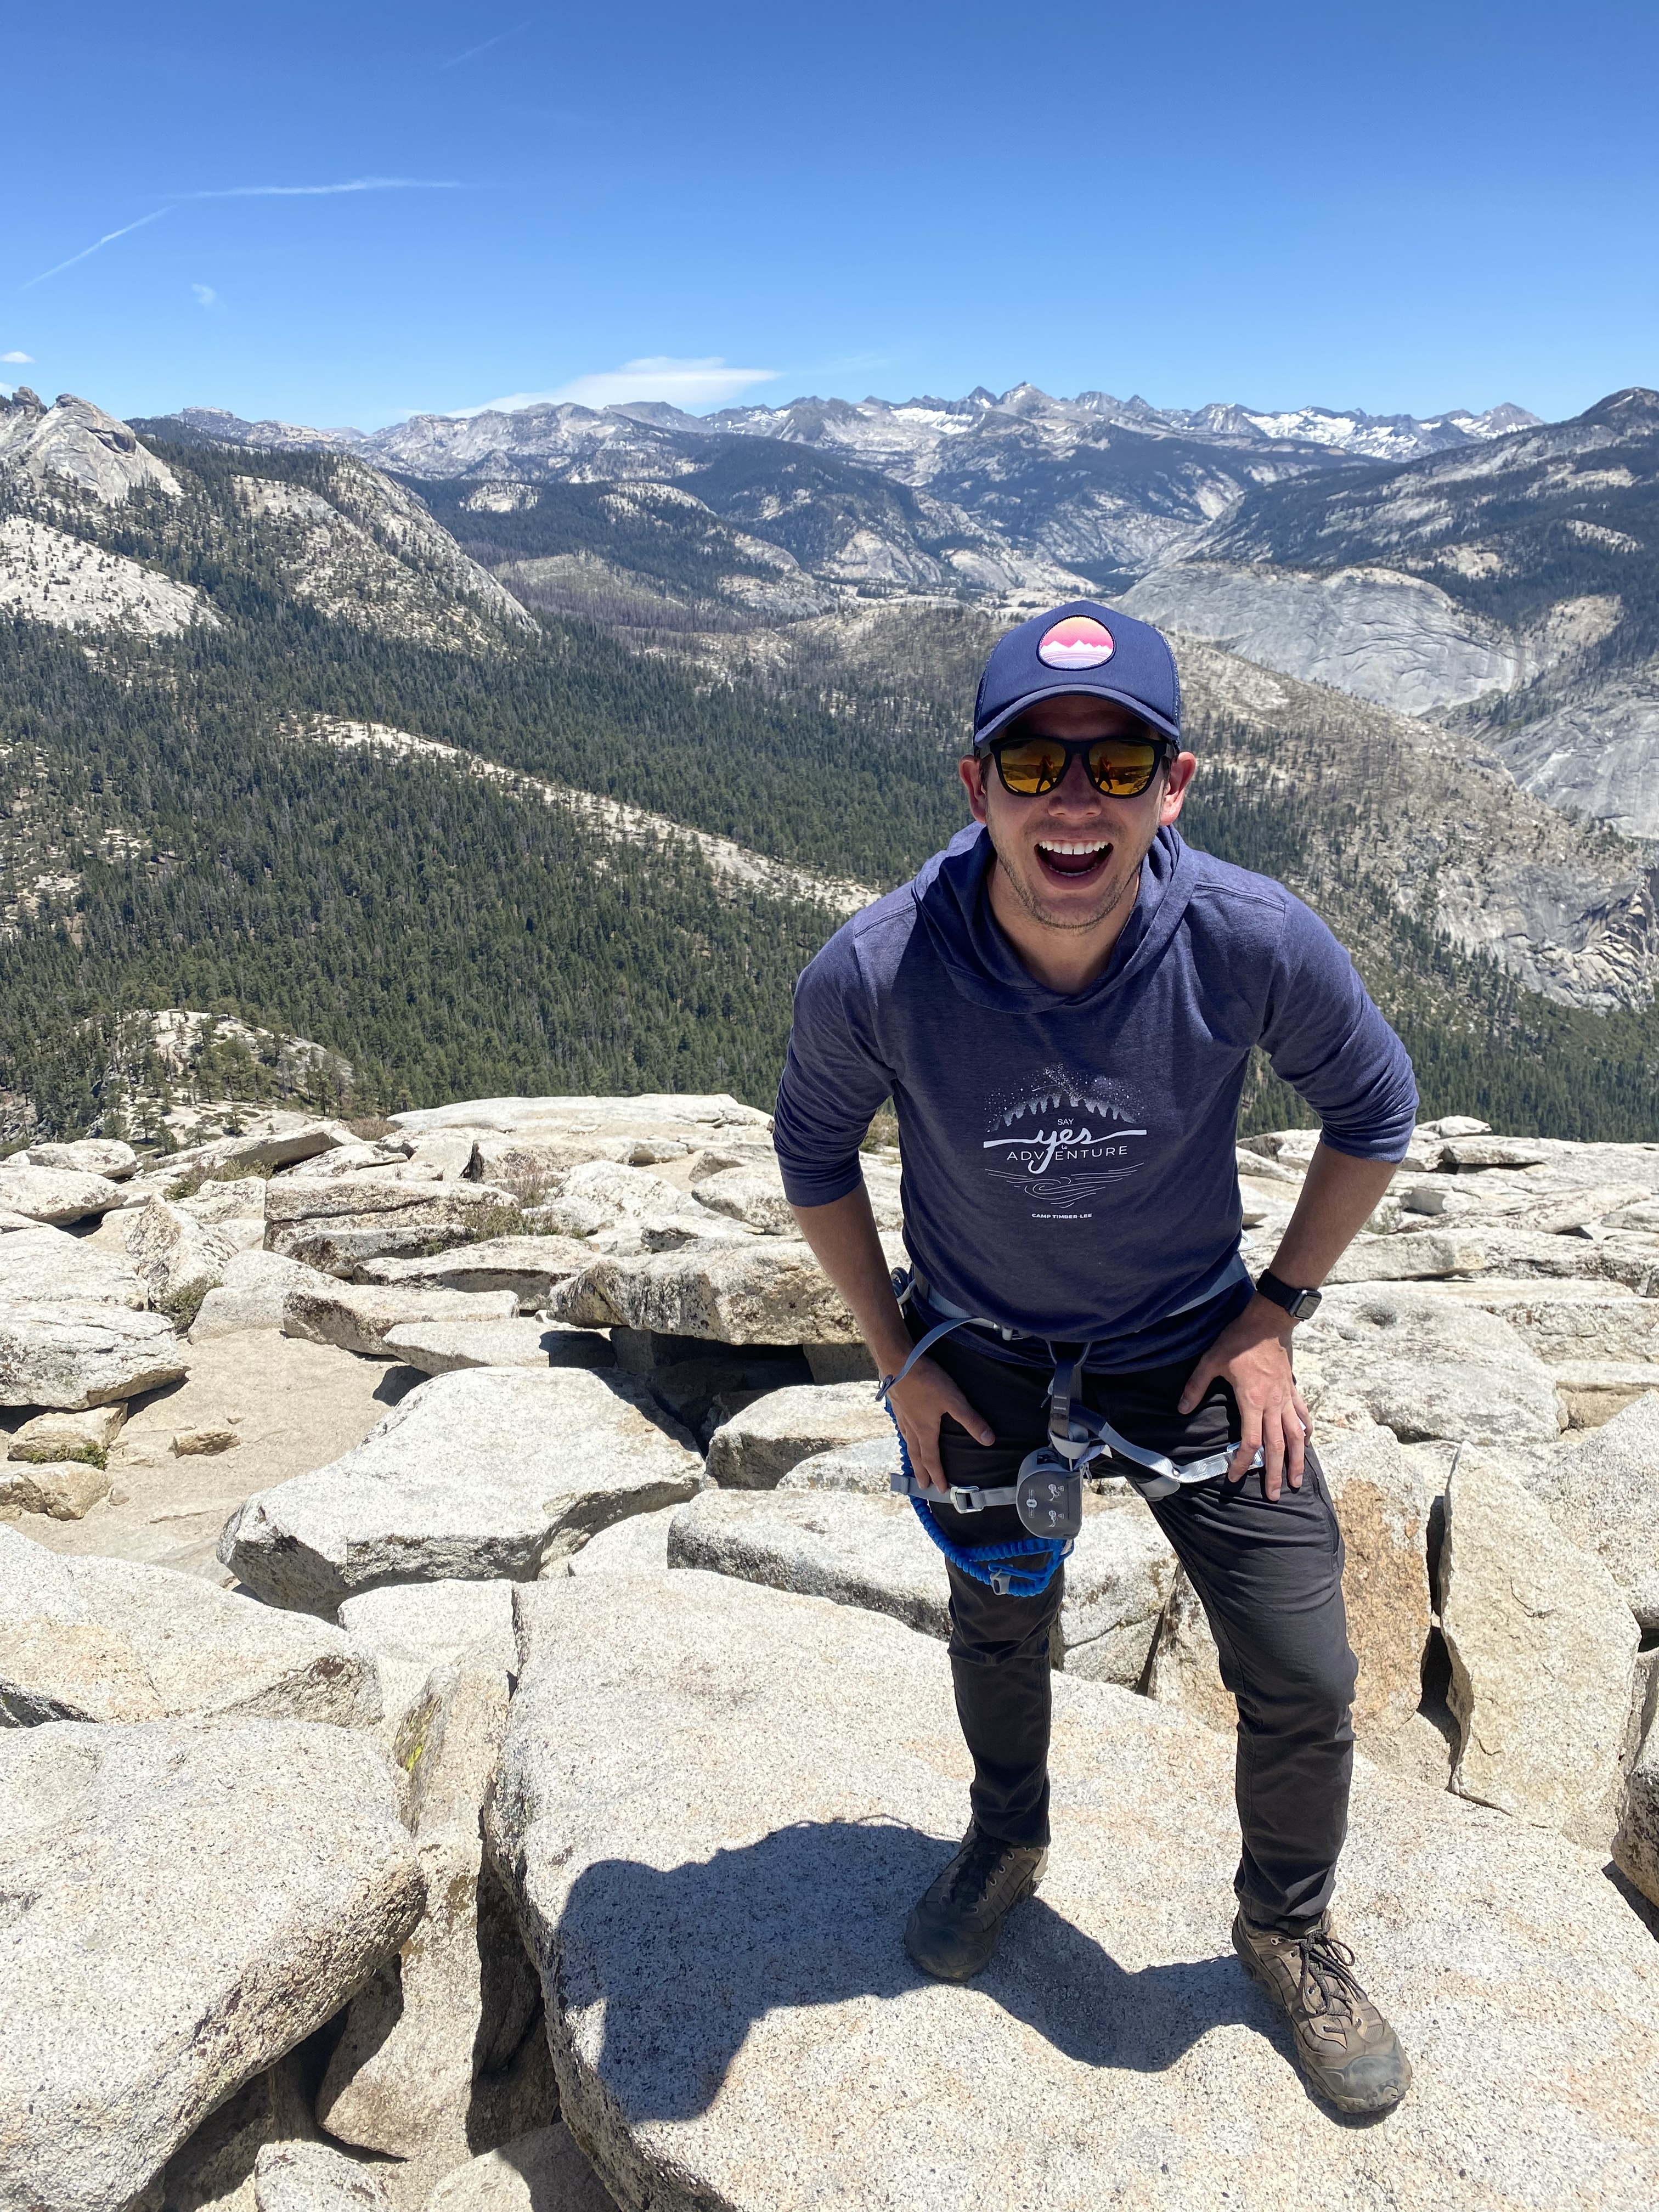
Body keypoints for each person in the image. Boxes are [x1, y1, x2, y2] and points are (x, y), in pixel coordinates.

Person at [772, 600, 1418, 2117]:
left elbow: (1372, 1113)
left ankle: (1288, 1925)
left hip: (1189, 1343)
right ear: (974, 782)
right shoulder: (878, 968)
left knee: (1304, 1663)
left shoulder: (1249, 938)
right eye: (1036, 762)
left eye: (1118, 762)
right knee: (1000, 1624)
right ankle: (1009, 1838)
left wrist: (1278, 1313)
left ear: (1175, 785)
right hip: (981, 1354)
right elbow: (812, 1156)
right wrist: (898, 1359)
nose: (1077, 801)